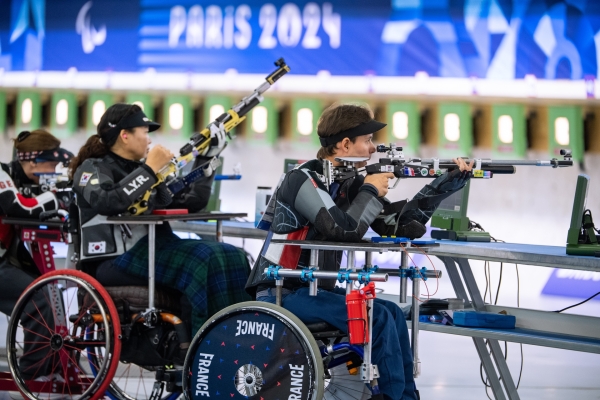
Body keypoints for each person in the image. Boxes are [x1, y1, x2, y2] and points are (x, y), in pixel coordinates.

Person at [245, 104, 474, 400]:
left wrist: (446, 182)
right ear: (345, 144)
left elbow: (400, 226)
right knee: (376, 317)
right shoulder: (303, 178)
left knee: (390, 312)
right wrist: (369, 190)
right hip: (281, 291)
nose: (373, 147)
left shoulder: (347, 181)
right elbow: (343, 228)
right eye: (367, 140)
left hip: (313, 290)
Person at [69, 103, 251, 340]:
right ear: (125, 136)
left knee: (233, 255)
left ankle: (234, 342)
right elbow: (109, 201)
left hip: (156, 247)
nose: (149, 141)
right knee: (203, 260)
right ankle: (201, 348)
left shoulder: (142, 170)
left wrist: (207, 156)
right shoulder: (91, 168)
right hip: (113, 259)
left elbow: (193, 201)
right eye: (144, 133)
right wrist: (149, 169)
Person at [0, 129, 74, 389]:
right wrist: (56, 199)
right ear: (32, 161)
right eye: (51, 164)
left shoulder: (21, 178)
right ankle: (31, 376)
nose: (54, 169)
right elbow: (17, 207)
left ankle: (51, 366)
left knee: (49, 291)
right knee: (40, 298)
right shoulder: (1, 172)